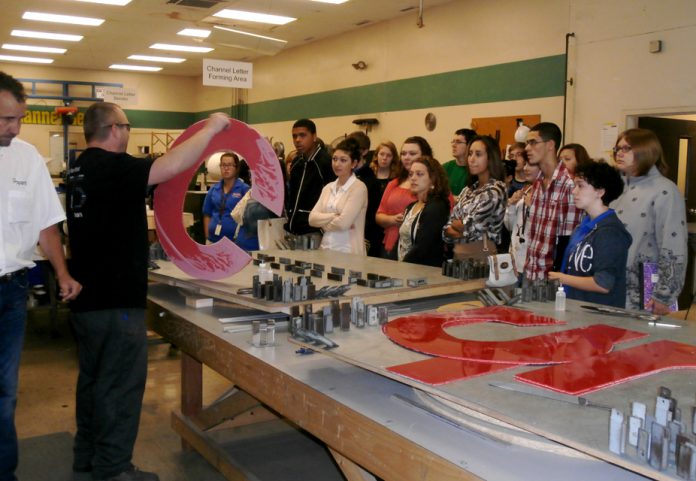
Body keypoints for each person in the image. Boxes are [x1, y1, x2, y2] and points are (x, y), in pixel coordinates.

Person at [66, 101, 230, 481]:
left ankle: (86, 458)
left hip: (87, 302)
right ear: (112, 129)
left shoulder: (79, 168)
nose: (128, 132)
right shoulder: (113, 167)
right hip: (116, 300)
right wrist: (212, 128)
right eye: (126, 126)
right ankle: (113, 470)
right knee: (120, 387)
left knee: (92, 383)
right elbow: (173, 165)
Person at [0, 71, 81, 481]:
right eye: (4, 119)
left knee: (5, 395)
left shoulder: (27, 157)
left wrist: (63, 273)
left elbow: (47, 223)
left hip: (10, 292)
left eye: (19, 118)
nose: (13, 127)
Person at [610, 128, 687, 314]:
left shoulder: (664, 190)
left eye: (627, 148)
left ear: (646, 150)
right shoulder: (615, 187)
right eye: (617, 148)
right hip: (608, 287)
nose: (619, 153)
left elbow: (673, 245)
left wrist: (664, 295)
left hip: (641, 292)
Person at [548, 162, 632, 307]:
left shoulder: (610, 232)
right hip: (576, 308)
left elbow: (603, 283)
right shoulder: (582, 228)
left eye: (580, 186)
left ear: (600, 191)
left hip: (599, 315)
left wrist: (562, 278)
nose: (574, 191)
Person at [523, 122, 580, 281]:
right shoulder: (537, 183)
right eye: (527, 143)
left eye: (533, 142)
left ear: (550, 145)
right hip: (531, 274)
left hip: (553, 280)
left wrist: (558, 280)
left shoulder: (569, 185)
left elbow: (568, 245)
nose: (527, 148)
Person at [443, 135, 507, 258]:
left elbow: (470, 229)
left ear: (490, 158)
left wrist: (460, 226)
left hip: (481, 258)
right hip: (459, 255)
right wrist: (460, 227)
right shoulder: (467, 190)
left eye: (478, 154)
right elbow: (446, 229)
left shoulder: (495, 190)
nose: (471, 159)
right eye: (470, 154)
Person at [376, 136, 432, 259]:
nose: (406, 157)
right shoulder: (394, 183)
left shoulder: (434, 186)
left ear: (425, 155)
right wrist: (393, 219)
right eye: (403, 153)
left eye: (412, 153)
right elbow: (379, 215)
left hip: (418, 250)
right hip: (390, 246)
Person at [308, 137, 367, 254]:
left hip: (349, 251)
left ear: (354, 163)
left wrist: (323, 223)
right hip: (326, 248)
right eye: (334, 159)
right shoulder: (328, 187)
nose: (337, 164)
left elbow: (343, 224)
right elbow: (311, 219)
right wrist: (333, 216)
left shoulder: (359, 188)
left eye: (343, 160)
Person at [398, 156, 451, 267]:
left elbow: (423, 247)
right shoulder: (411, 206)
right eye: (411, 174)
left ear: (433, 178)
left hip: (424, 271)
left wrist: (402, 266)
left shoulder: (437, 207)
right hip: (405, 268)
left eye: (419, 174)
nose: (413, 178)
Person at [285, 118, 335, 235]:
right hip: (293, 230)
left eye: (302, 135)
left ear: (314, 137)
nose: (297, 140)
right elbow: (292, 196)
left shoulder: (325, 162)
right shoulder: (296, 163)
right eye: (294, 136)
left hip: (315, 231)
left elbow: (333, 200)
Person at [504, 151, 540, 281]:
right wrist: (512, 205)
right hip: (514, 259)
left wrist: (533, 207)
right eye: (525, 165)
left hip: (531, 262)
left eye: (530, 165)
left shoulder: (545, 194)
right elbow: (509, 226)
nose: (525, 168)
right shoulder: (526, 190)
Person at [202, 152, 249, 243]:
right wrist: (207, 237)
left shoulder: (244, 190)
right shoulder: (214, 189)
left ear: (236, 168)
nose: (226, 168)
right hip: (213, 240)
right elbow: (207, 214)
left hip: (235, 241)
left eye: (230, 165)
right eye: (223, 165)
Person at [349, 131, 382, 256]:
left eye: (354, 150)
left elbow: (371, 214)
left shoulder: (371, 181)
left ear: (364, 151)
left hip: (361, 236)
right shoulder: (343, 177)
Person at [442, 128, 476, 197]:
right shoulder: (444, 168)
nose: (453, 145)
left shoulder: (475, 170)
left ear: (469, 145)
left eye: (458, 142)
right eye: (453, 141)